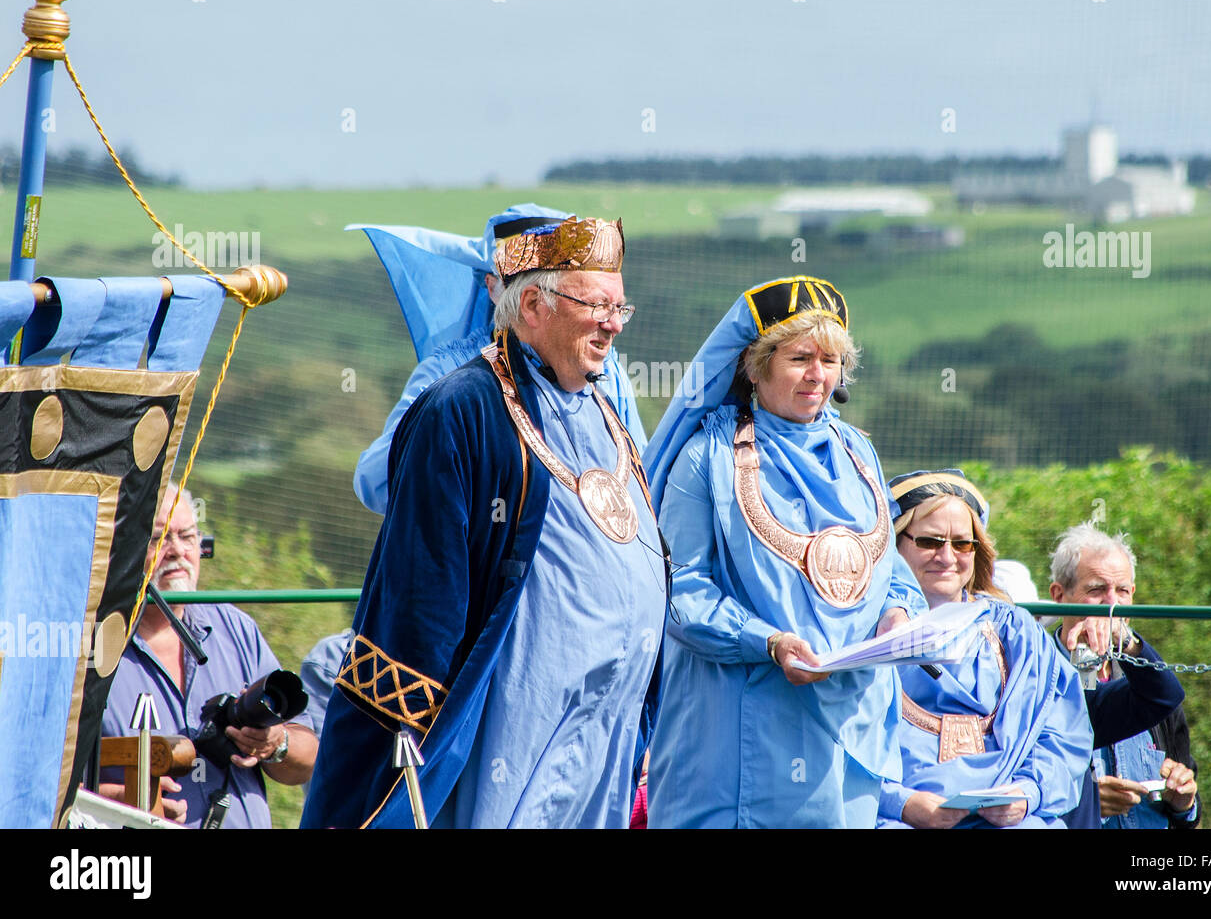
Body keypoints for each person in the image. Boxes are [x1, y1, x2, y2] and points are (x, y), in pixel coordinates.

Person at [302, 216, 667, 829]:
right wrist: (413, 735)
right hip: (512, 718)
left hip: (607, 720)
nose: (612, 324)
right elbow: (423, 589)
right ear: (532, 305)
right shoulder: (459, 407)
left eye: (620, 307)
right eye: (596, 305)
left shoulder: (604, 405)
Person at [642, 275, 926, 828]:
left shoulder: (857, 450)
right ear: (756, 365)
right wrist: (766, 641)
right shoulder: (706, 458)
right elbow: (678, 589)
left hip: (852, 732)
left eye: (830, 360)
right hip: (740, 734)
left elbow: (888, 568)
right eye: (800, 358)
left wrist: (899, 615)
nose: (818, 376)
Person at [353, 205, 646, 515]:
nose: (612, 324)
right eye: (515, 282)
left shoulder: (606, 368)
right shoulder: (450, 372)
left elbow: (642, 477)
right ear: (492, 287)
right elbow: (376, 481)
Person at [877, 470, 1091, 828]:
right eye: (930, 542)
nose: (947, 557)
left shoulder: (1017, 631)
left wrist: (1027, 794)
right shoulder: (867, 632)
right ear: (894, 546)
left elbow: (1062, 733)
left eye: (962, 544)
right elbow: (835, 745)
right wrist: (902, 803)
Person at [99, 484, 316, 828]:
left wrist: (274, 743)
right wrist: (105, 801)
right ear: (119, 550)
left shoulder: (236, 628)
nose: (177, 551)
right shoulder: (89, 646)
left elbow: (308, 760)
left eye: (187, 536)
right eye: (158, 539)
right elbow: (37, 777)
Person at [1048, 522, 1199, 828]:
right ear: (1059, 594)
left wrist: (1185, 803)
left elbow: (1187, 818)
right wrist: (1084, 804)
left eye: (1122, 591)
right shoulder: (1035, 675)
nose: (1112, 603)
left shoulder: (1149, 678)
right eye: (1096, 589)